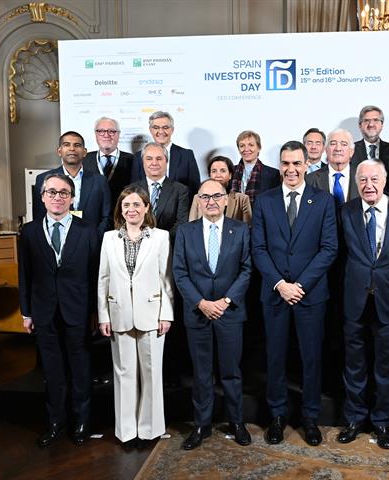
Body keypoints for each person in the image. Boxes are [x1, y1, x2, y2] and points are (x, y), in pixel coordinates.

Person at [251, 141, 338, 446]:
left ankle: (310, 417)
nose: (291, 169)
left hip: (309, 295)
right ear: (280, 165)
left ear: (306, 165)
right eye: (285, 163)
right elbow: (258, 249)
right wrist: (280, 284)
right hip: (274, 294)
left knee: (311, 359)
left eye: (296, 163)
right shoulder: (264, 200)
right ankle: (277, 416)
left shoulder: (324, 201)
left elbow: (329, 248)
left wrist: (300, 286)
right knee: (275, 358)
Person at [337, 160, 389, 449]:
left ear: (384, 181)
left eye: (374, 179)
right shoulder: (345, 211)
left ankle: (382, 421)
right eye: (363, 180)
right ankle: (354, 419)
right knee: (354, 364)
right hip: (354, 300)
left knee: (387, 365)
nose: (368, 185)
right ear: (356, 182)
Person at [18, 173, 100, 447]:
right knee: (53, 372)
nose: (57, 197)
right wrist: (26, 312)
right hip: (44, 313)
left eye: (64, 192)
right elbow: (25, 274)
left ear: (72, 198)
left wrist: (96, 312)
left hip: (78, 311)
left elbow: (95, 275)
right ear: (42, 197)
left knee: (80, 370)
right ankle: (55, 423)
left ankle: (81, 423)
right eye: (51, 192)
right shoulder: (28, 232)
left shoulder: (87, 230)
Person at [173, 179, 253, 449]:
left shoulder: (240, 230)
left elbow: (246, 269)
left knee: (231, 371)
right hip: (198, 313)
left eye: (217, 196)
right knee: (201, 372)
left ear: (226, 199)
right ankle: (201, 425)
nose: (211, 201)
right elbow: (180, 273)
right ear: (198, 200)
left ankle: (237, 422)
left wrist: (226, 300)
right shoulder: (186, 231)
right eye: (205, 197)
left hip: (229, 313)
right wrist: (201, 303)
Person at [97, 185, 174, 447]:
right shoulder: (109, 239)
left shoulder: (161, 237)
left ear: (146, 208)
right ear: (121, 209)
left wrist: (167, 314)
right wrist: (103, 316)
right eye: (126, 205)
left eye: (136, 205)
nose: (131, 209)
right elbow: (103, 279)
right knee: (124, 374)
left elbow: (166, 279)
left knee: (152, 374)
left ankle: (150, 431)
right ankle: (127, 432)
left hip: (152, 315)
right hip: (118, 315)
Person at [33, 131, 111, 236]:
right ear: (59, 151)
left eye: (77, 145)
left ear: (84, 152)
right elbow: (39, 216)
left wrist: (96, 237)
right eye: (66, 145)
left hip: (91, 241)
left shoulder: (99, 181)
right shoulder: (43, 179)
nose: (72, 149)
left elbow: (107, 216)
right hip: (56, 239)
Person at [130, 111, 201, 201]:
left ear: (172, 129)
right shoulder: (138, 156)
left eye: (165, 127)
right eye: (156, 127)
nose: (161, 131)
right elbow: (134, 188)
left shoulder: (186, 155)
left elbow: (194, 188)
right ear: (150, 130)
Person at [132, 142, 189, 242]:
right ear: (143, 162)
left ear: (166, 161)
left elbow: (181, 223)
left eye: (159, 159)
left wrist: (161, 241)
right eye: (149, 159)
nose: (154, 163)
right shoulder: (131, 190)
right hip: (137, 245)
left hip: (169, 245)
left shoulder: (180, 190)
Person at [83, 117, 134, 212]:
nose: (106, 135)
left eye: (112, 131)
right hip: (92, 218)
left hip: (123, 216)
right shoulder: (84, 160)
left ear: (118, 134)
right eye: (101, 131)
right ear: (95, 134)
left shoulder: (132, 160)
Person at [189, 155, 252, 224]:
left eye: (223, 171)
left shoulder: (242, 199)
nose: (218, 175)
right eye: (214, 171)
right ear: (209, 174)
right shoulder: (197, 197)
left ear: (230, 175)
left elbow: (247, 228)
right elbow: (191, 227)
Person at [305, 129, 359, 206]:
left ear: (351, 152)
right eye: (333, 144)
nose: (338, 149)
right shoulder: (310, 180)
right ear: (326, 150)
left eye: (344, 144)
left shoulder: (362, 177)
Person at [230, 130, 281, 205]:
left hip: (261, 216)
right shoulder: (231, 170)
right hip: (233, 216)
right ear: (238, 149)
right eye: (242, 146)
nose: (246, 149)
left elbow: (275, 202)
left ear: (259, 148)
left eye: (251, 145)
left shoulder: (273, 174)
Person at [351, 106, 389, 170]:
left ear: (382, 125)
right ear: (360, 125)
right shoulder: (351, 150)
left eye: (376, 120)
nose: (371, 124)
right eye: (366, 120)